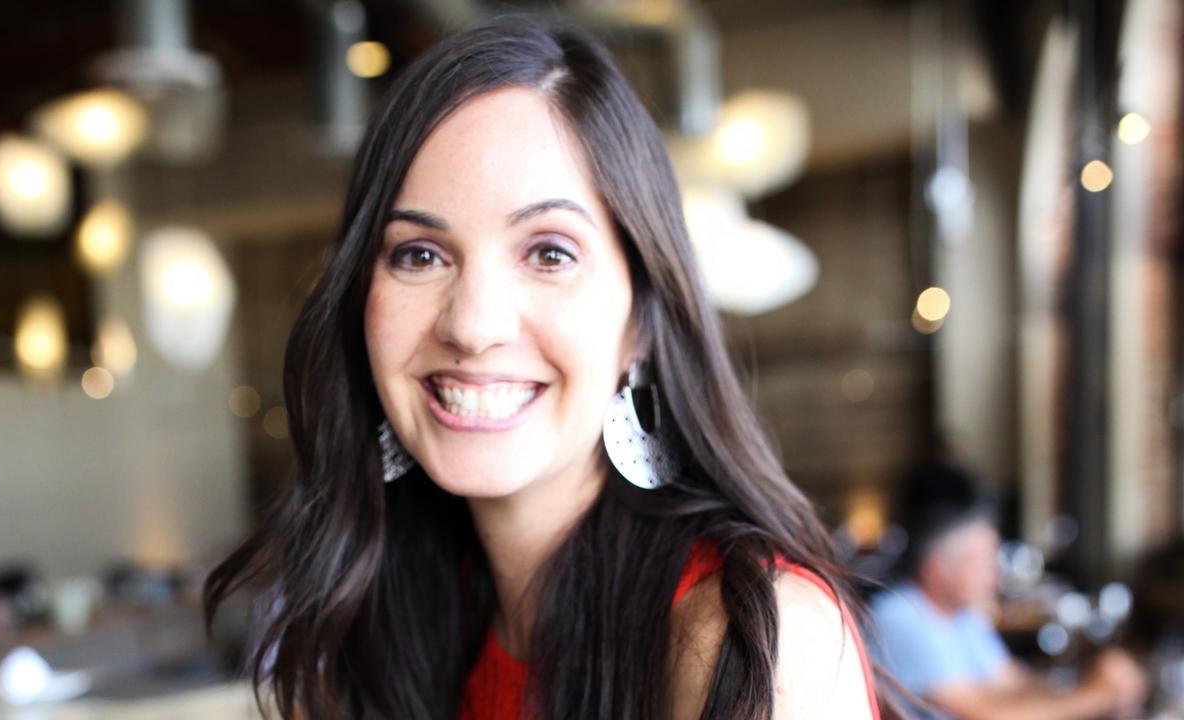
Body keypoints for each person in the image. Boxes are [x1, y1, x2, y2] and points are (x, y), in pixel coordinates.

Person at [206, 18, 896, 720]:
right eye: (419, 254)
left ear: (641, 321)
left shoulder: (753, 644)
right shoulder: (391, 616)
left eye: (549, 253)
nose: (472, 325)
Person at [870, 463, 1148, 720]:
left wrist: (1089, 682)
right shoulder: (899, 617)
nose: (995, 575)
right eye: (982, 562)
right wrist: (1098, 696)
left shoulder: (962, 616)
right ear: (937, 569)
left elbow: (1012, 683)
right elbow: (989, 714)